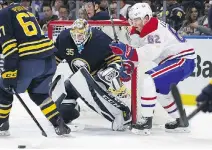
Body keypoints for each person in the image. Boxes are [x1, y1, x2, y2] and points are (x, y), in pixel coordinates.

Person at [110, 3, 196, 135]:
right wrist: (127, 66)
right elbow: (136, 53)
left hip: (183, 60)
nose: (134, 23)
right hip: (173, 60)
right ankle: (182, 121)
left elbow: (150, 53)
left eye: (137, 19)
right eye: (132, 20)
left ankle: (146, 122)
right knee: (162, 93)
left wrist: (126, 50)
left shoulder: (154, 28)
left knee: (149, 80)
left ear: (146, 18)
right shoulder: (138, 30)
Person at [0, 1, 70, 136]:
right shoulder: (26, 11)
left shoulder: (3, 14)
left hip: (30, 62)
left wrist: (9, 73)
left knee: (4, 88)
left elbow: (10, 46)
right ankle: (58, 122)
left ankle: (2, 123)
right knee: (39, 94)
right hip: (49, 60)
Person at [53, 19, 131, 131]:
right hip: (77, 79)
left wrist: (109, 73)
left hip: (98, 79)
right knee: (62, 113)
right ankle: (74, 107)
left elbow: (116, 60)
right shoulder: (64, 38)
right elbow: (55, 58)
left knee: (107, 81)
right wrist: (47, 73)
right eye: (74, 35)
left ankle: (122, 112)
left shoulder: (100, 39)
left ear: (88, 32)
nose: (77, 38)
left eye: (80, 35)